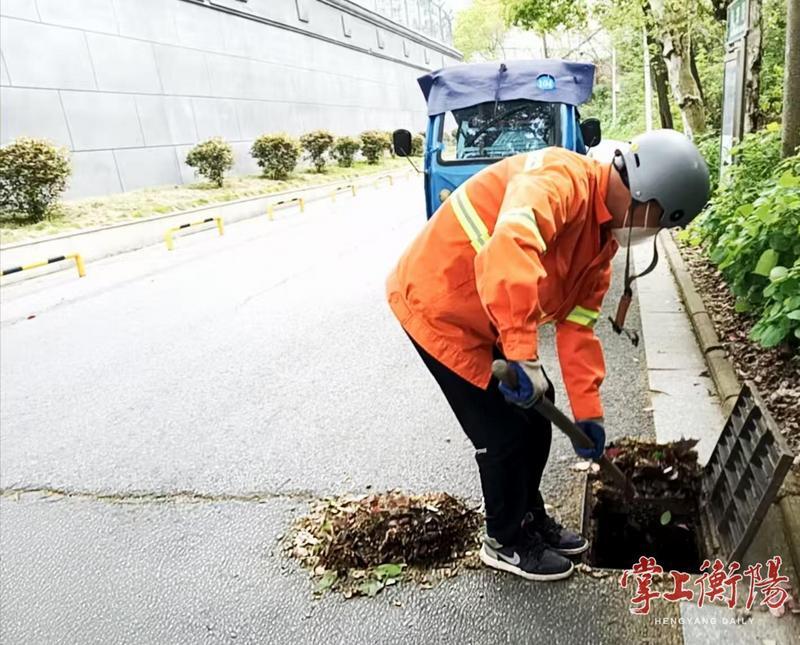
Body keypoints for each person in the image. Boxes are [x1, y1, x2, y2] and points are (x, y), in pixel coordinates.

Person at [386, 129, 710, 581]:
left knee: (539, 413)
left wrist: (588, 418)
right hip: (439, 304)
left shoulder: (600, 246)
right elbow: (510, 250)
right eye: (659, 222)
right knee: (500, 434)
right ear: (646, 195)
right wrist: (521, 353)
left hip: (488, 310)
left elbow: (577, 330)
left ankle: (528, 515)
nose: (652, 233)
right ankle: (503, 540)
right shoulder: (561, 180)